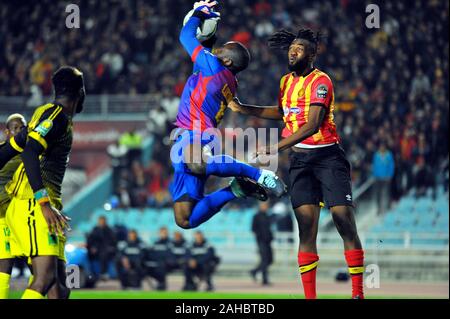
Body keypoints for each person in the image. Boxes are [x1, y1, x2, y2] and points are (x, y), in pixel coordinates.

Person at [228, 29, 365, 299]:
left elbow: (313, 124)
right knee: (306, 228)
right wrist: (245, 108)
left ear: (311, 55)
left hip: (328, 158)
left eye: (299, 49)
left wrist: (276, 146)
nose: (293, 52)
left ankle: (358, 293)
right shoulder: (284, 82)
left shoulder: (321, 81)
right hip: (301, 161)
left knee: (343, 221)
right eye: (291, 48)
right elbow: (282, 113)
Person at [171, 0, 286, 231]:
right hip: (187, 135)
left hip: (197, 134)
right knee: (185, 219)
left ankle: (259, 174)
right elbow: (204, 48)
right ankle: (235, 189)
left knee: (197, 165)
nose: (217, 49)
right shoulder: (226, 78)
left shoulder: (213, 67)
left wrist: (198, 13)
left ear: (227, 61)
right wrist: (207, 24)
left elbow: (186, 36)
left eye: (223, 48)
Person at [0, 66, 85, 299]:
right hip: (33, 204)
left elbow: (11, 148)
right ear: (80, 92)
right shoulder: (56, 116)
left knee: (59, 290)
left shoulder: (45, 115)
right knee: (44, 279)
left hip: (40, 206)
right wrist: (44, 202)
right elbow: (29, 152)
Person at [0, 113, 27, 299]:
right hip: (5, 213)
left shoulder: (31, 151)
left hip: (23, 213)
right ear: (7, 131)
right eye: (15, 128)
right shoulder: (5, 152)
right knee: (5, 263)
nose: (19, 132)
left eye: (22, 128)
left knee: (41, 264)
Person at [250, 202, 274, 286]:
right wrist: (260, 237)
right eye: (264, 206)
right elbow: (253, 229)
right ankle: (265, 280)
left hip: (268, 241)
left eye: (267, 206)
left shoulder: (267, 216)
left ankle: (254, 271)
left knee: (270, 260)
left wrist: (270, 237)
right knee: (264, 260)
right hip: (261, 242)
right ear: (260, 206)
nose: (266, 207)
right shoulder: (256, 216)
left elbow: (269, 229)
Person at [87, 216, 117, 280]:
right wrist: (92, 247)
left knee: (104, 254)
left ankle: (103, 273)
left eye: (103, 221)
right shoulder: (95, 229)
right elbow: (90, 239)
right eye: (100, 221)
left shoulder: (109, 230)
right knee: (87, 253)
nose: (101, 222)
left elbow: (113, 241)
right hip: (96, 248)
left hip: (105, 248)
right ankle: (90, 273)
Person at [372, 143, 395, 215]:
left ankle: (388, 206)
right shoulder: (376, 155)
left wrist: (390, 175)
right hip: (378, 177)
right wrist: (375, 175)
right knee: (378, 194)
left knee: (388, 193)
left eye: (383, 147)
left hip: (386, 177)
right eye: (381, 147)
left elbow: (391, 165)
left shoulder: (389, 155)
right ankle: (379, 208)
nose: (382, 148)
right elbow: (374, 166)